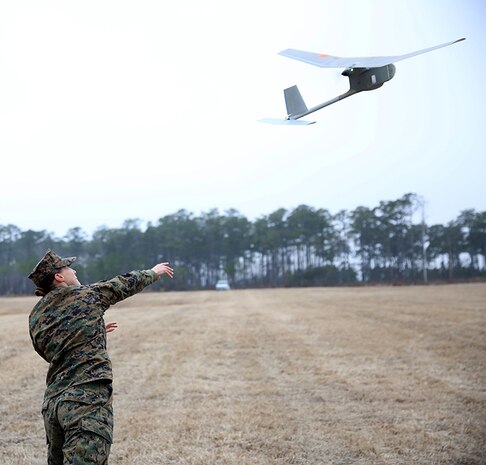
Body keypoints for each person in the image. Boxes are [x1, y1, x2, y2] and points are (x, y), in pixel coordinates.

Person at [28, 249, 174, 465]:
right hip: (85, 402)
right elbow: (120, 284)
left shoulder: (36, 314)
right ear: (59, 277)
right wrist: (153, 272)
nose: (74, 270)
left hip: (52, 406)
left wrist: (90, 329)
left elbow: (49, 351)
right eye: (68, 268)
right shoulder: (87, 296)